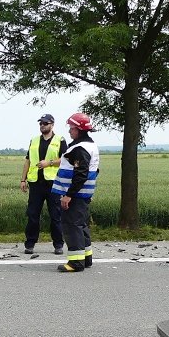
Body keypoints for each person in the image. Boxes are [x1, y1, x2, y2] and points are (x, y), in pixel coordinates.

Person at [51, 112, 99, 272]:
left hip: (75, 195)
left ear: (79, 129)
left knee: (72, 226)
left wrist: (69, 195)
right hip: (82, 194)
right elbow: (94, 171)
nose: (70, 131)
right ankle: (86, 258)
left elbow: (81, 174)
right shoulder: (90, 145)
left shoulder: (80, 148)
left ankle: (76, 263)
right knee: (80, 224)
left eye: (72, 128)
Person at [20, 113, 67, 254]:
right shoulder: (34, 141)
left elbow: (65, 159)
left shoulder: (60, 140)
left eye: (45, 123)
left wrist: (49, 163)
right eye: (41, 123)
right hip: (35, 183)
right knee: (33, 214)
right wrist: (23, 180)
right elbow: (28, 160)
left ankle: (58, 244)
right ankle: (30, 244)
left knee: (55, 216)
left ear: (52, 125)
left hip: (53, 183)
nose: (42, 126)